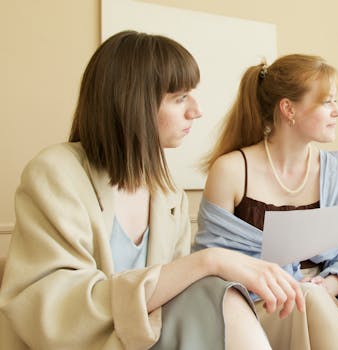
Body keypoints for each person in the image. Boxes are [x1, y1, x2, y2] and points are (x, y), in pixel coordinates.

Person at [0, 30, 301, 350]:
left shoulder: (168, 194)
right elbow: (58, 313)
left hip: (147, 340)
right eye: (180, 97)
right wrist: (209, 261)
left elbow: (173, 298)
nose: (196, 111)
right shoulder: (56, 173)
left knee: (222, 295)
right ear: (134, 103)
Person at [193, 54, 338, 350]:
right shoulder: (230, 170)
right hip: (254, 312)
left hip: (325, 305)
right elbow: (210, 265)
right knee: (305, 299)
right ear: (288, 108)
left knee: (311, 298)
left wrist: (324, 286)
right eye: (327, 101)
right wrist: (284, 289)